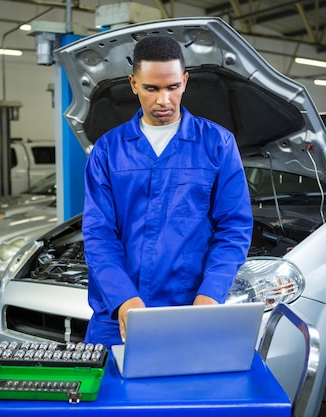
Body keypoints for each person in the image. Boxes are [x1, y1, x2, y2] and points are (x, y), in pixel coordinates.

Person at [82, 35, 253, 349]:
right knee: (110, 396)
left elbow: (234, 227)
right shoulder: (107, 151)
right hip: (118, 315)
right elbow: (98, 233)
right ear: (134, 84)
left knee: (186, 397)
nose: (164, 100)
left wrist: (211, 294)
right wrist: (123, 297)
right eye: (151, 88)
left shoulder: (217, 144)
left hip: (189, 311)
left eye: (172, 87)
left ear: (185, 81)